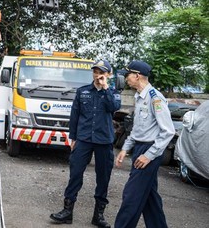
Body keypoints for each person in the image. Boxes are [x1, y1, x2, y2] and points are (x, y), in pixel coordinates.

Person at [50, 59, 121, 227]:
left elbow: (114, 107)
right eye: (95, 71)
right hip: (83, 139)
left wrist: (105, 88)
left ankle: (98, 215)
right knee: (75, 174)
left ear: (108, 75)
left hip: (104, 141)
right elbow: (74, 116)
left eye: (101, 72)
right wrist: (73, 137)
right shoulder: (82, 92)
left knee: (103, 177)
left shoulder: (112, 92)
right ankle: (67, 212)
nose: (97, 75)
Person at [114, 60, 174, 228]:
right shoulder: (139, 96)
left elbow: (167, 131)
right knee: (149, 197)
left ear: (137, 75)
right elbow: (138, 128)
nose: (126, 78)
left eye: (127, 75)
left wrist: (149, 155)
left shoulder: (155, 99)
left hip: (150, 150)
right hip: (141, 147)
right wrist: (125, 148)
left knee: (131, 196)